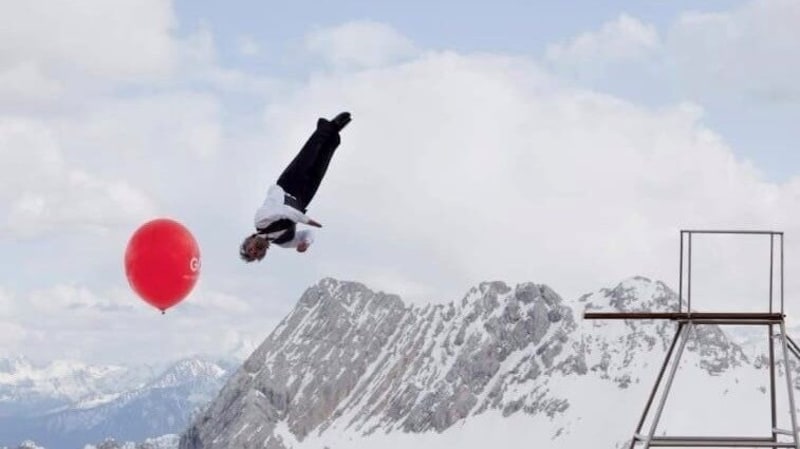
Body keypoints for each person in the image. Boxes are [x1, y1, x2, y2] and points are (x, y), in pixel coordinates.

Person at [239, 112, 352, 262]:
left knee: (309, 154)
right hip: (303, 199)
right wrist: (306, 243)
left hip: (286, 186)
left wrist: (306, 220)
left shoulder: (260, 221)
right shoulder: (284, 242)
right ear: (262, 255)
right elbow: (308, 235)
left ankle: (329, 126)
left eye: (250, 249)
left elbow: (284, 211)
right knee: (322, 163)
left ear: (250, 240)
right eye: (255, 254)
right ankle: (334, 135)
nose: (254, 251)